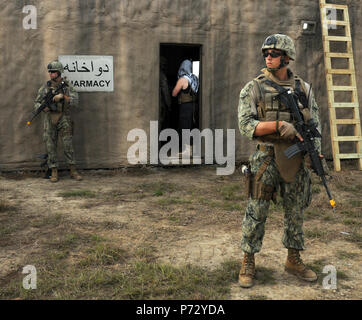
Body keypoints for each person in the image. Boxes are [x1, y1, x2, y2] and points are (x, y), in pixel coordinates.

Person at [237, 34, 322, 288]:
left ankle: (293, 259)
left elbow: (314, 124)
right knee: (256, 211)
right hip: (266, 156)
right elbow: (245, 125)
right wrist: (276, 125)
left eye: (273, 54)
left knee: (295, 210)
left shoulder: (304, 89)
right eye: (266, 54)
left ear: (287, 57)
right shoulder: (254, 87)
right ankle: (248, 260)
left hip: (295, 157)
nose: (268, 58)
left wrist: (314, 152)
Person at [33, 60, 82, 182]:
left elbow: (75, 101)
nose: (51, 74)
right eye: (50, 72)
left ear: (59, 72)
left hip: (64, 117)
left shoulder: (67, 86)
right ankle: (54, 171)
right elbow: (37, 103)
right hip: (49, 118)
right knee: (50, 145)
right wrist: (43, 107)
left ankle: (73, 170)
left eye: (53, 72)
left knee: (68, 145)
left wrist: (63, 97)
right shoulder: (45, 87)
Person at [172, 59, 199, 157]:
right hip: (193, 105)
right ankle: (192, 149)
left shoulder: (182, 79)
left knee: (185, 127)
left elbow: (174, 93)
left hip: (185, 105)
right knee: (191, 126)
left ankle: (188, 151)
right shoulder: (194, 78)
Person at [159, 56, 172, 132]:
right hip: (162, 103)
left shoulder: (158, 74)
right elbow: (165, 91)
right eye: (164, 64)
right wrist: (169, 104)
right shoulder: (162, 75)